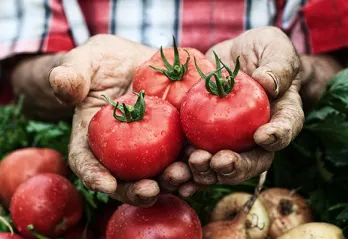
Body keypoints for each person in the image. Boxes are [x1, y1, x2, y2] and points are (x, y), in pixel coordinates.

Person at [1, 0, 347, 207]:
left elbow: (335, 57)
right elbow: (18, 66)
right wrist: (74, 72)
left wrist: (293, 70)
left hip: (281, 178)